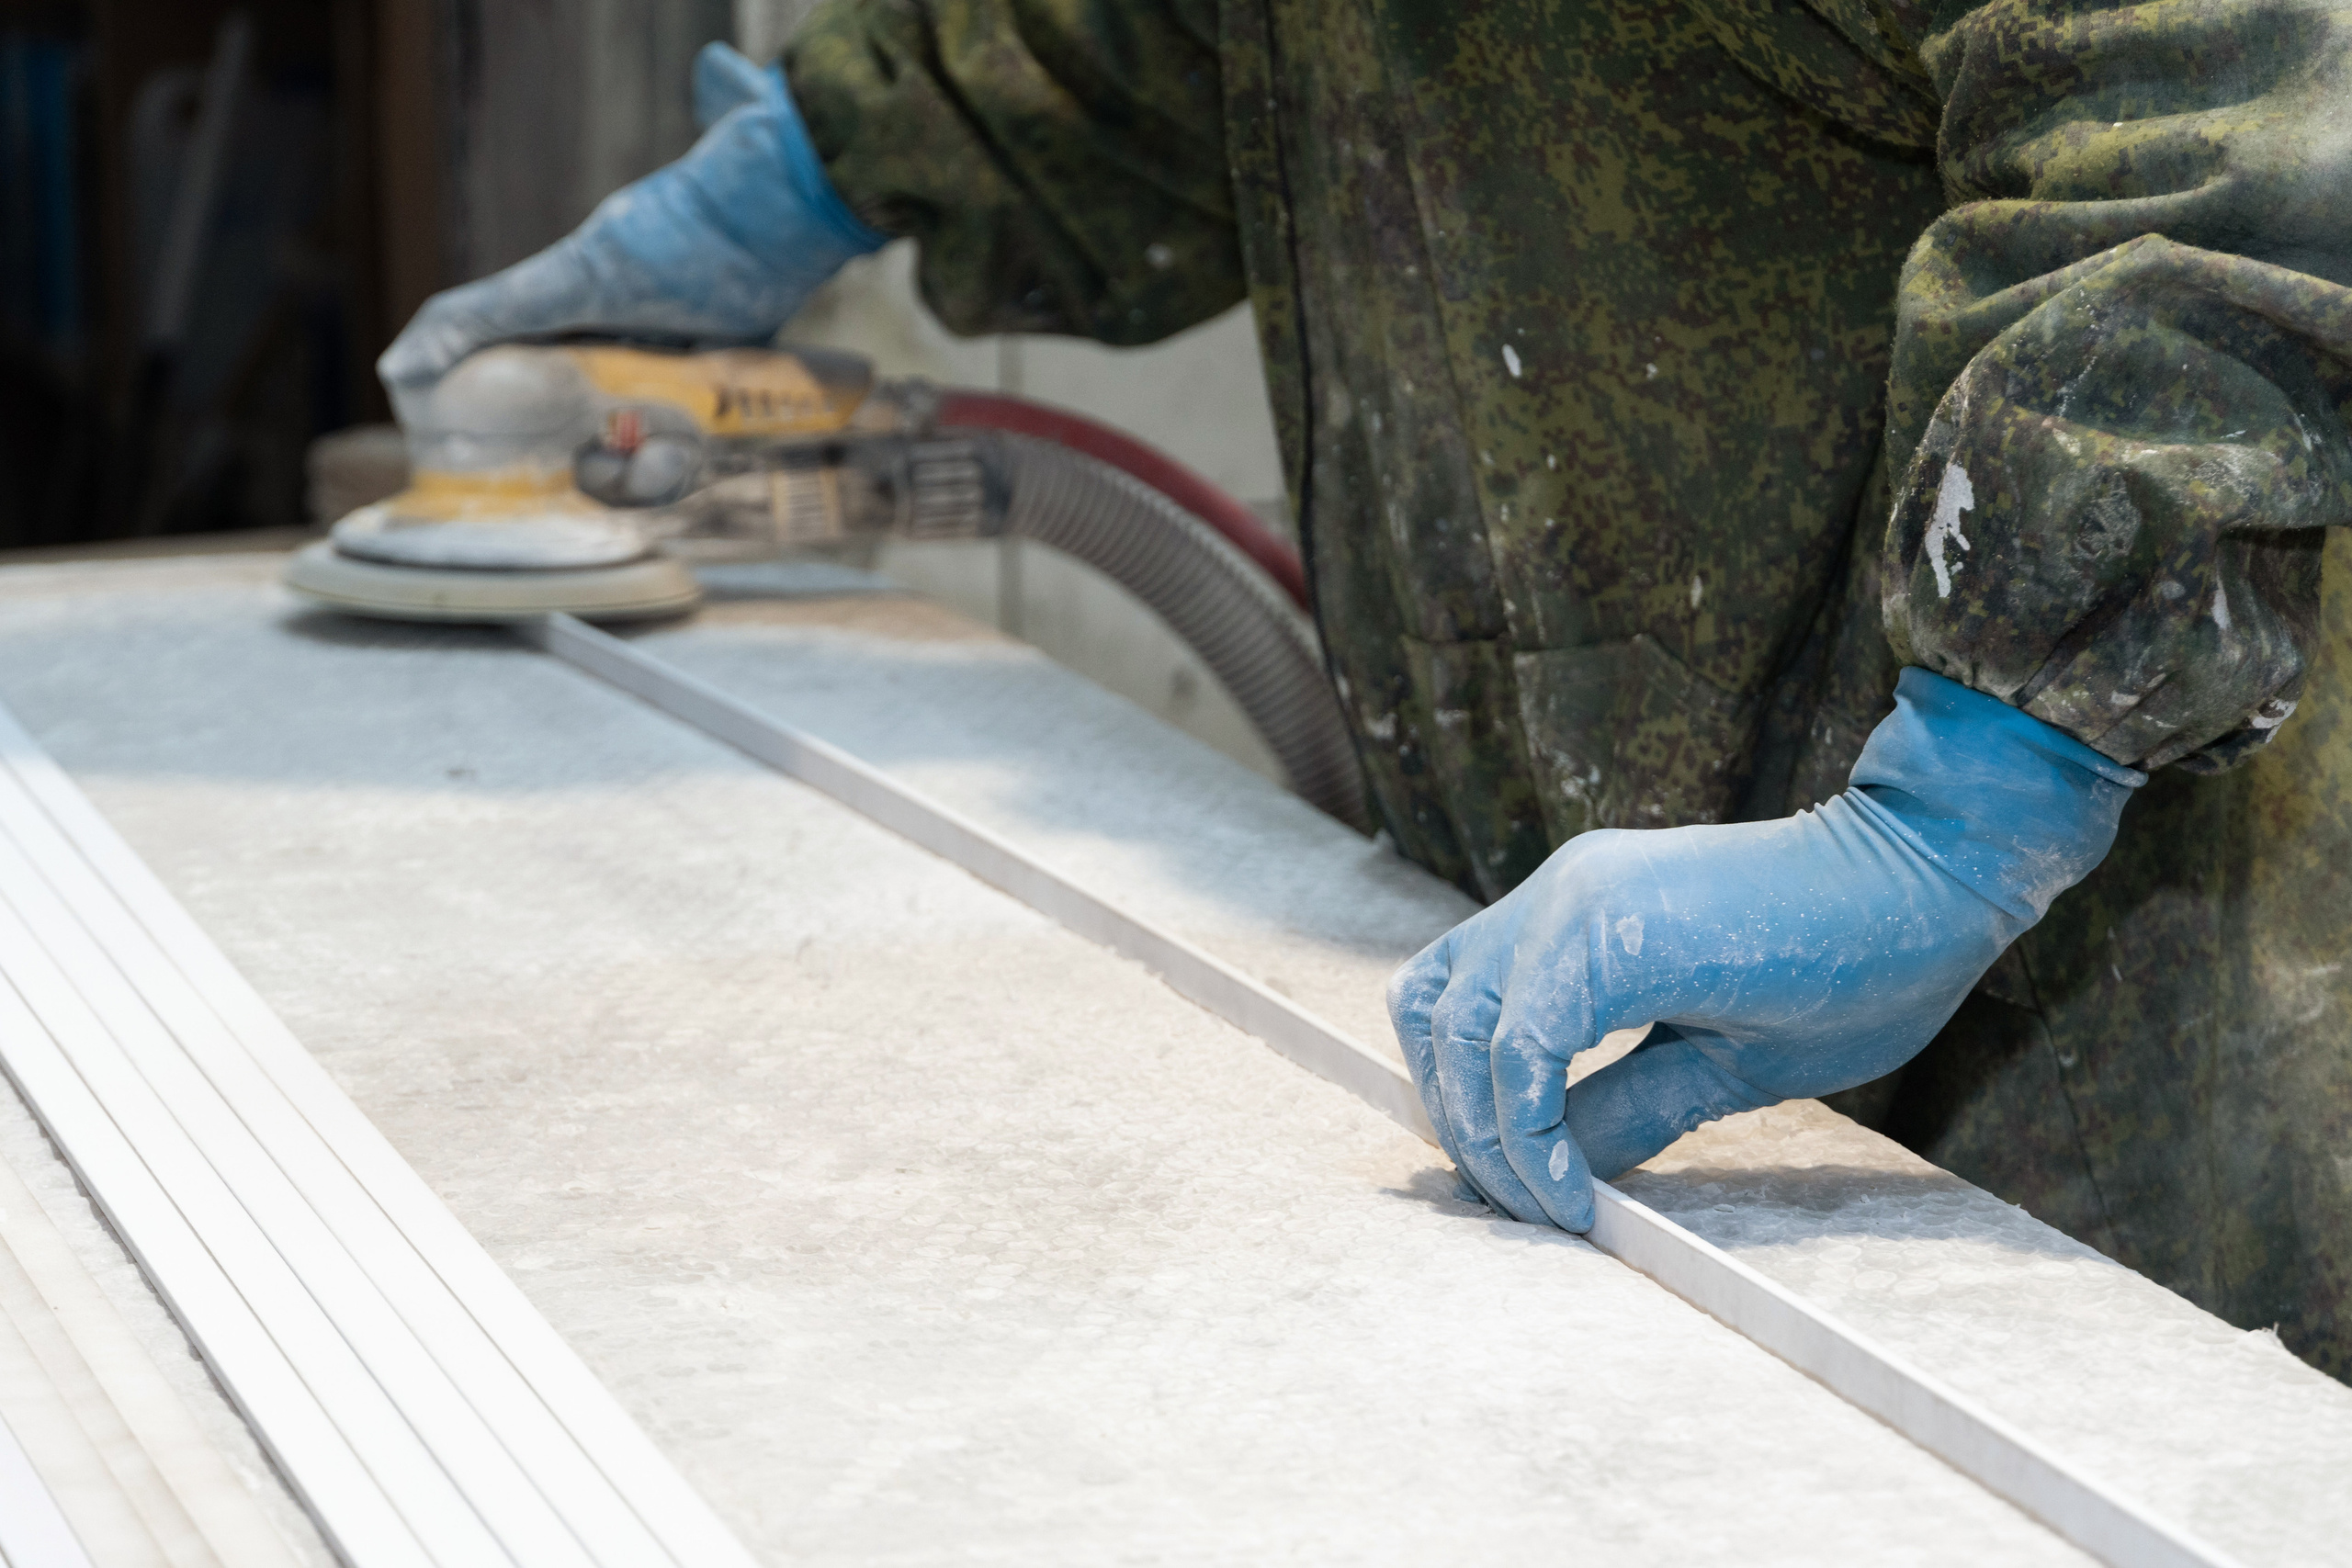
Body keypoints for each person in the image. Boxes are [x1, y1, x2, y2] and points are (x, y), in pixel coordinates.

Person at [382, 1, 2352, 1377]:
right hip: (1585, 900)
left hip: (2098, 977)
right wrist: (824, 162)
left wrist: (1977, 797)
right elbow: (1175, 40)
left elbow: (2223, 118)